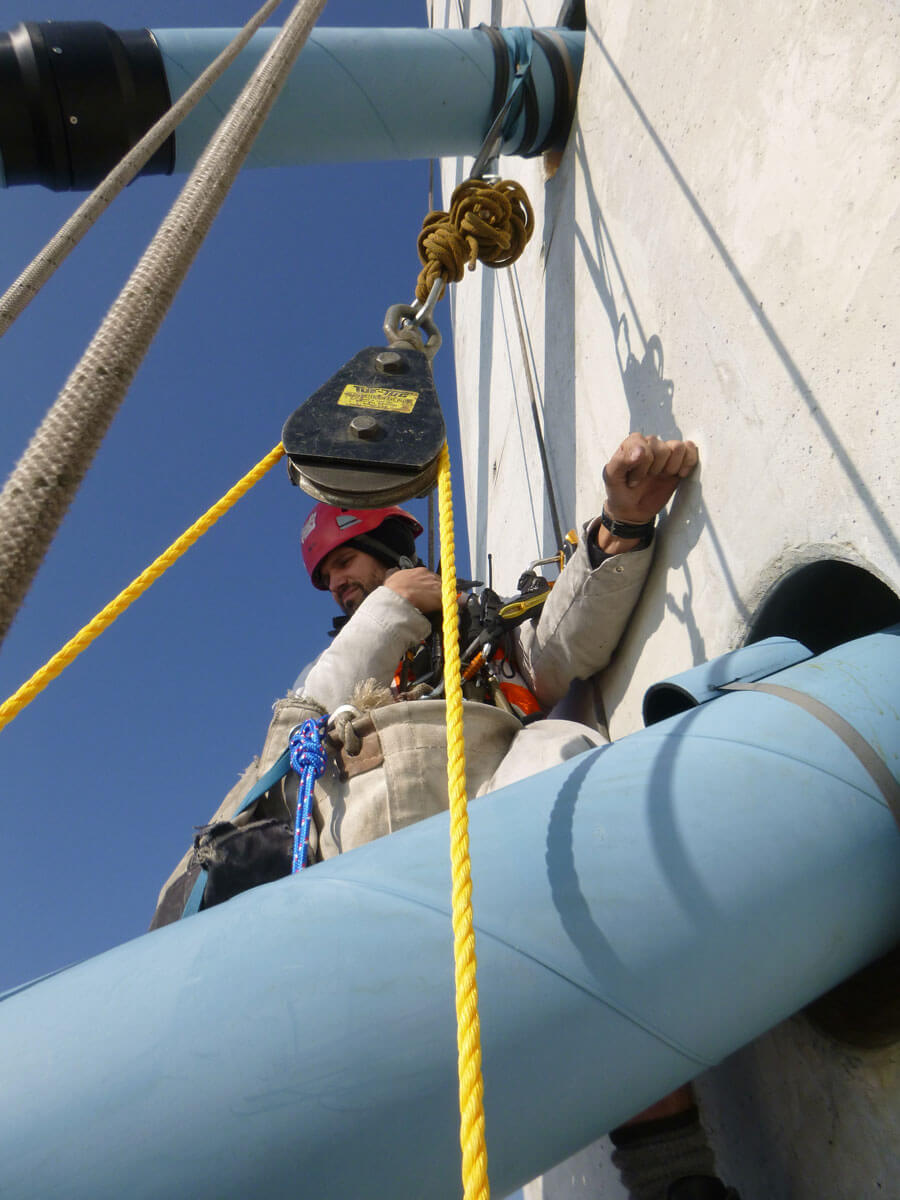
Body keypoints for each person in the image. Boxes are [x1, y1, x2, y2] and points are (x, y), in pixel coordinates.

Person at [151, 431, 736, 1200]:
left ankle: (678, 1180)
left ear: (389, 544)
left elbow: (558, 649)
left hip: (497, 846)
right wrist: (389, 610)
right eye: (327, 577)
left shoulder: (477, 635)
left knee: (579, 860)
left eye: (345, 562)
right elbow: (281, 758)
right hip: (359, 907)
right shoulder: (331, 684)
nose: (337, 585)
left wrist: (622, 524)